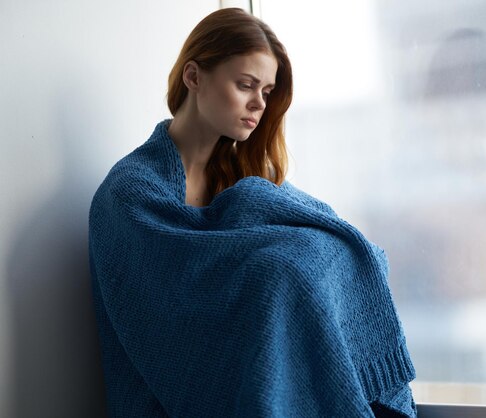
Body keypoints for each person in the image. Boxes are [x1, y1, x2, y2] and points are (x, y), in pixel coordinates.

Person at [89, 8, 417, 417]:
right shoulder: (129, 195)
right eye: (246, 85)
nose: (258, 103)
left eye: (266, 91)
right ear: (193, 77)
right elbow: (173, 326)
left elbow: (350, 249)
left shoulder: (246, 181)